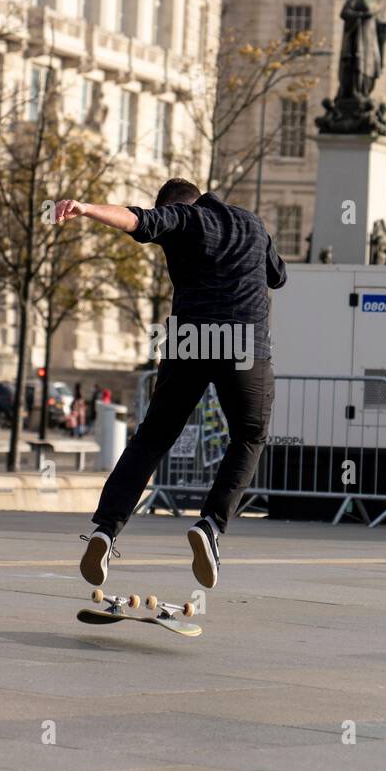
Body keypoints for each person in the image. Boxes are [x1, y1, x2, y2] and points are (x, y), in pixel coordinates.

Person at [54, 179, 287, 590]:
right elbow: (277, 276)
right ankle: (211, 526)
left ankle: (105, 531)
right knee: (250, 434)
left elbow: (134, 220)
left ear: (173, 205)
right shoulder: (253, 223)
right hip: (244, 344)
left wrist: (86, 208)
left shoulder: (182, 219)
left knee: (154, 437)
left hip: (189, 340)